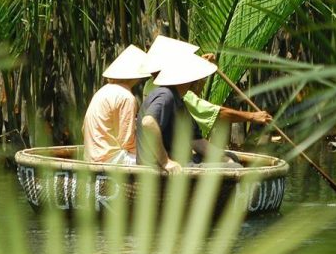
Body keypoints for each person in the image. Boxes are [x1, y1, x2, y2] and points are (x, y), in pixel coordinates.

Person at [142, 35, 272, 139]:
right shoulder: (168, 91)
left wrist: (201, 70)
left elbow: (193, 95)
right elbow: (217, 114)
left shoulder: (152, 85)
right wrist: (253, 117)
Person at [137, 52, 234, 172]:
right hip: (164, 169)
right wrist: (165, 162)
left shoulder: (179, 102)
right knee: (235, 167)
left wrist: (224, 159)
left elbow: (196, 141)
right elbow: (148, 123)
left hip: (184, 162)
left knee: (231, 159)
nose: (199, 82)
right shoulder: (166, 95)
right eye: (196, 78)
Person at [82, 44, 150, 164]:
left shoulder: (103, 91)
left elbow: (84, 129)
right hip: (110, 158)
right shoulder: (126, 97)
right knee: (156, 161)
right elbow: (127, 141)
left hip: (92, 156)